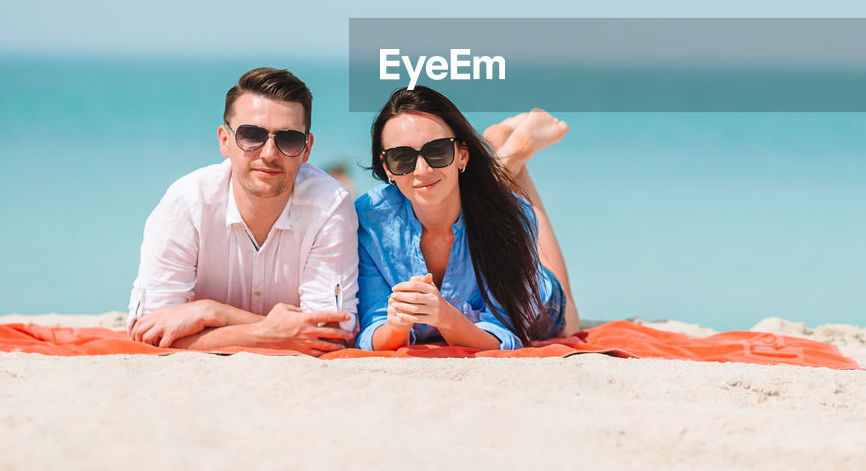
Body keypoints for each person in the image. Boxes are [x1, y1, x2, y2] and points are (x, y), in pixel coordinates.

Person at [127, 67, 358, 356]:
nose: (269, 154)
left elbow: (329, 336)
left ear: (307, 148)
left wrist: (214, 314)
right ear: (224, 140)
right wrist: (265, 332)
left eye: (288, 139)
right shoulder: (186, 203)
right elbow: (149, 332)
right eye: (252, 135)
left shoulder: (329, 205)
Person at [355, 86, 579, 351]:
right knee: (496, 201)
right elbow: (372, 329)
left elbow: (505, 337)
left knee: (571, 320)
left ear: (462, 155)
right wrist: (397, 326)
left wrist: (445, 316)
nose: (422, 170)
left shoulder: (511, 218)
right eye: (401, 158)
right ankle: (508, 159)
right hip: (483, 201)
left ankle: (516, 158)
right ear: (386, 168)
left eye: (437, 151)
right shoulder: (370, 220)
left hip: (535, 291)